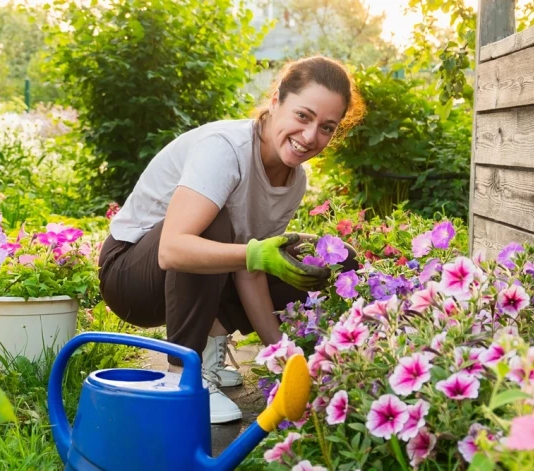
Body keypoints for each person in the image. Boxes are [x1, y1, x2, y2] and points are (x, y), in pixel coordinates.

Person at [98, 56, 366, 424]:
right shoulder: (225, 148)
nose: (310, 137)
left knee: (327, 258)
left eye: (327, 127)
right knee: (215, 223)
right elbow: (173, 249)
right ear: (276, 101)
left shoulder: (294, 179)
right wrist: (255, 254)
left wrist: (283, 358)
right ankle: (185, 378)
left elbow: (249, 266)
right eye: (303, 116)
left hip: (185, 280)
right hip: (130, 275)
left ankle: (210, 346)